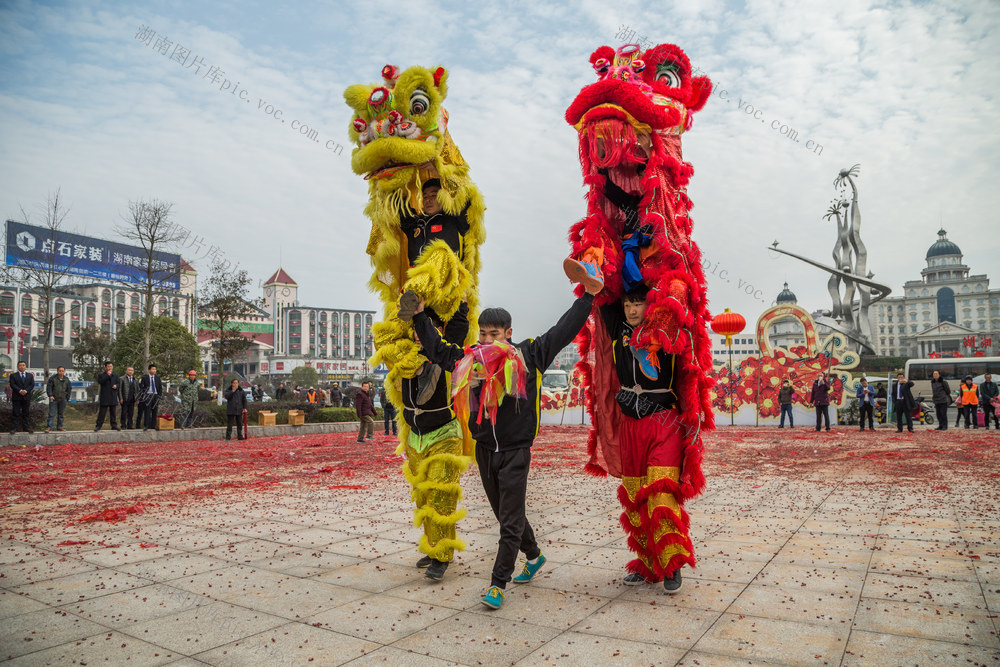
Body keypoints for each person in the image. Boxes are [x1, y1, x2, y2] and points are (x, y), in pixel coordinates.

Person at [413, 286, 597, 610]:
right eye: (482, 334)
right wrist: (417, 316)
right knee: (505, 515)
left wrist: (588, 298)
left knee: (509, 522)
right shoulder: (471, 360)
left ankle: (498, 584)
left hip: (515, 452)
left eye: (493, 334)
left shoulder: (529, 355)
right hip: (485, 450)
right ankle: (535, 555)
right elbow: (438, 349)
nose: (486, 341)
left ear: (508, 333)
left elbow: (563, 330)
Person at [596, 286, 691, 593]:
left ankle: (672, 565)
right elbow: (603, 290)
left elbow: (672, 291)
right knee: (636, 494)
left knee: (661, 492)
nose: (632, 310)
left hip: (664, 420)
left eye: (638, 303)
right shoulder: (617, 329)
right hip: (630, 424)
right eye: (628, 304)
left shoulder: (666, 329)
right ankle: (647, 564)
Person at [397, 302, 471, 581]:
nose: (420, 333)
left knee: (442, 495)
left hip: (444, 434)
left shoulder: (446, 352)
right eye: (417, 327)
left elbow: (459, 324)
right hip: (416, 438)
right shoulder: (404, 355)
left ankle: (442, 556)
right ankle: (432, 546)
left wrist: (461, 297)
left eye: (427, 326)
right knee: (424, 498)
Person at [395, 178, 473, 405]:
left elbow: (465, 198)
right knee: (423, 333)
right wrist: (399, 174)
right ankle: (426, 370)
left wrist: (437, 167)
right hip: (420, 293)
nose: (428, 200)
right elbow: (397, 205)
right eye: (425, 196)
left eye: (433, 195)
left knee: (457, 321)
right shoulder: (415, 224)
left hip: (446, 285)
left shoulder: (453, 219)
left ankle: (438, 367)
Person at [9, 361, 35, 434]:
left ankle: (26, 428)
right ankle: (14, 428)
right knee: (16, 413)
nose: (22, 367)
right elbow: (12, 384)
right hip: (17, 397)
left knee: (26, 413)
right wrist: (20, 390)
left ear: (25, 366)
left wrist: (26, 391)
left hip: (26, 397)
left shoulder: (30, 375)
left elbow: (32, 385)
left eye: (23, 365)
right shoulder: (13, 375)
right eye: (20, 365)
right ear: (17, 367)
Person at [94, 361, 120, 431]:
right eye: (108, 366)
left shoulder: (115, 375)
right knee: (102, 413)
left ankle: (114, 425)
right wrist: (107, 375)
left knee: (113, 413)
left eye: (111, 366)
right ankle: (98, 426)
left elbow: (118, 383)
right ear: (105, 367)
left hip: (113, 396)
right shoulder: (101, 375)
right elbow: (100, 382)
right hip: (105, 396)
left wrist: (116, 386)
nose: (110, 368)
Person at [45, 365, 71, 433]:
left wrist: (67, 398)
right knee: (52, 413)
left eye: (62, 371)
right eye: (60, 371)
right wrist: (50, 395)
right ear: (57, 371)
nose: (61, 372)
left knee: (61, 414)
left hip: (63, 399)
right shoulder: (53, 378)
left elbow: (69, 389)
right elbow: (49, 388)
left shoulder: (66, 379)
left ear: (64, 371)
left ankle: (59, 426)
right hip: (54, 399)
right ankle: (49, 427)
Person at [139, 364, 163, 431]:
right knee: (147, 411)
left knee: (155, 411)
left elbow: (160, 388)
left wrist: (159, 396)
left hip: (155, 396)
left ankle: (153, 425)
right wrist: (143, 395)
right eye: (153, 369)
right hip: (148, 396)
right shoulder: (144, 377)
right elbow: (141, 387)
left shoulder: (157, 378)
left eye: (155, 369)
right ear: (149, 370)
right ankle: (146, 425)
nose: (154, 370)